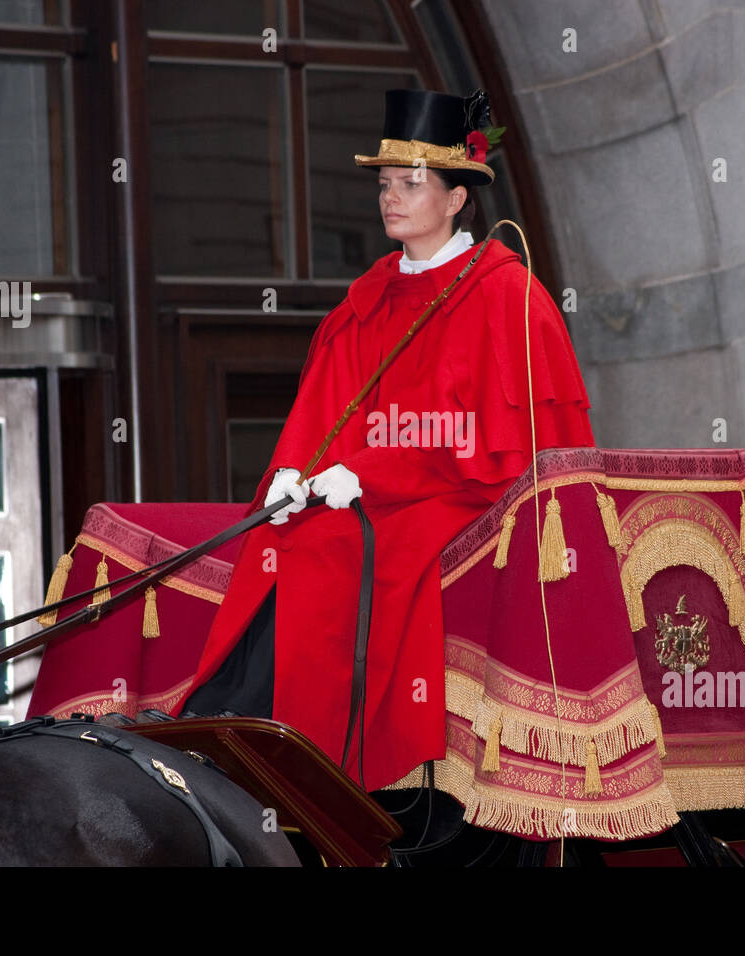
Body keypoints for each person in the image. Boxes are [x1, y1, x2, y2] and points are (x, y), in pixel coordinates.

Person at [178, 89, 595, 791]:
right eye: (383, 184)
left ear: (458, 197)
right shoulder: (367, 299)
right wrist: (291, 473)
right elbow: (322, 413)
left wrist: (371, 473)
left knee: (330, 543)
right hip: (371, 489)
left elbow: (493, 447)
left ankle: (316, 755)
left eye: (411, 183)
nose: (390, 198)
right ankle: (229, 716)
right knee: (282, 532)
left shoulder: (504, 295)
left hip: (467, 502)